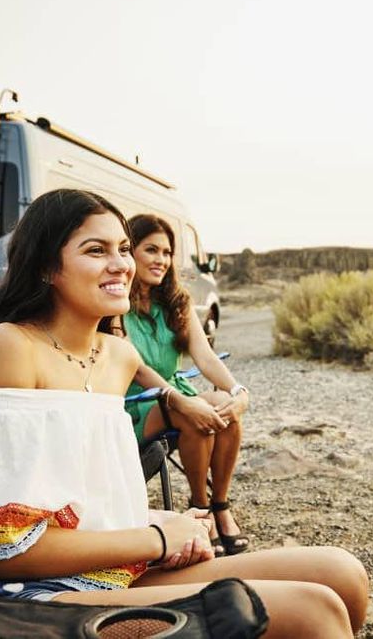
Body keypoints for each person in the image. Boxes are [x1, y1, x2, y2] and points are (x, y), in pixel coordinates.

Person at [0, 189, 368, 637]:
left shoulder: (118, 356)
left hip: (102, 573)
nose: (121, 264)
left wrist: (163, 522)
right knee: (312, 611)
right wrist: (156, 539)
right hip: (14, 598)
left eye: (123, 249)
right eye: (96, 250)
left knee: (341, 573)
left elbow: (82, 504)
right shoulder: (12, 347)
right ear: (46, 267)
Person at [122, 214, 250, 557]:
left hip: (173, 391)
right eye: (151, 250)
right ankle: (200, 507)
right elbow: (136, 369)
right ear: (129, 251)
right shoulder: (116, 303)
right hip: (133, 402)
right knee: (191, 413)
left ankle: (219, 506)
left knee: (223, 406)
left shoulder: (176, 302)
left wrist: (238, 392)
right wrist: (181, 401)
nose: (161, 260)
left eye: (167, 252)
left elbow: (205, 357)